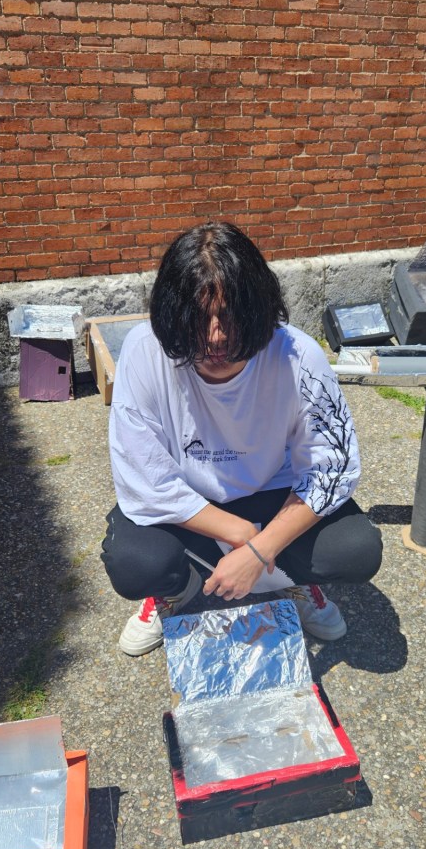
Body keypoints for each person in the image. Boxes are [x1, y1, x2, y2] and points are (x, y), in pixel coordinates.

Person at [101, 221, 382, 656]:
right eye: (197, 319)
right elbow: (145, 479)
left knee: (357, 551)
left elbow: (332, 467)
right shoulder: (143, 350)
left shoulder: (298, 355)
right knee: (135, 565)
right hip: (188, 503)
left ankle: (295, 580)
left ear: (260, 308)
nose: (216, 337)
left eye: (230, 317)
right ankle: (175, 589)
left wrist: (260, 549)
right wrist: (241, 534)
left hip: (272, 492)